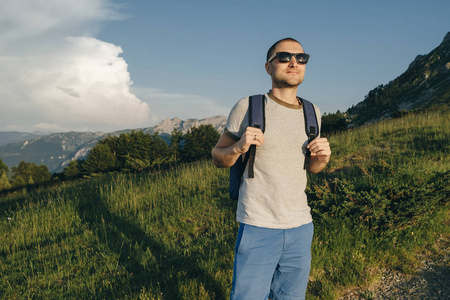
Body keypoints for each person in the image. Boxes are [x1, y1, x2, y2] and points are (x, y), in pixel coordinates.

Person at [211, 37, 331, 300]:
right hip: (258, 225)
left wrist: (322, 160)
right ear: (268, 67)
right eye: (284, 56)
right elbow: (218, 156)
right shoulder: (249, 106)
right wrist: (238, 147)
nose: (293, 62)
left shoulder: (314, 112)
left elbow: (311, 169)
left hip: (301, 226)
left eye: (301, 58)